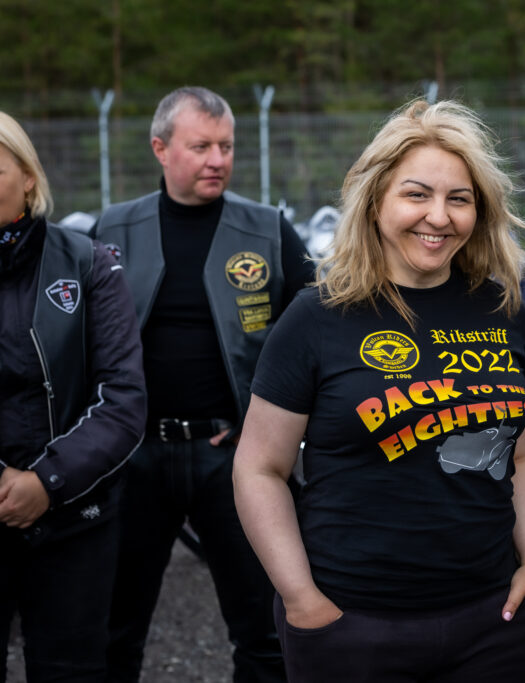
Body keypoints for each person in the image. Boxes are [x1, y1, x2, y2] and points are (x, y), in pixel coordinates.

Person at [232, 99, 525, 683]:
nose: (439, 216)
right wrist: (302, 599)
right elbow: (259, 469)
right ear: (376, 201)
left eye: (459, 199)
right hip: (353, 626)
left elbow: (521, 454)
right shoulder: (317, 317)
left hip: (491, 621)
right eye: (416, 194)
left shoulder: (501, 309)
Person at [92, 87, 314, 683]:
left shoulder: (267, 230)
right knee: (112, 631)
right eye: (201, 147)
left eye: (227, 146)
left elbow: (318, 328)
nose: (218, 159)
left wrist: (267, 428)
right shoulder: (114, 228)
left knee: (265, 632)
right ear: (160, 149)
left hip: (234, 458)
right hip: (134, 457)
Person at [0, 111, 146, 682]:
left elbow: (123, 398)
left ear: (28, 177)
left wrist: (46, 482)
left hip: (75, 520)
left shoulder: (88, 263)